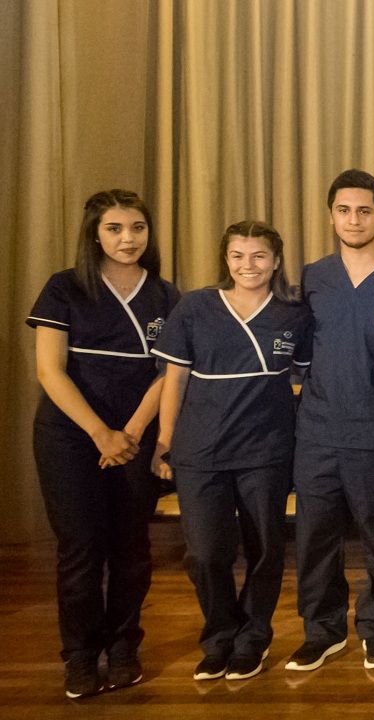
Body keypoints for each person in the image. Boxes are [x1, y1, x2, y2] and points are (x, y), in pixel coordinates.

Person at [27, 189, 180, 697]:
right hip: (70, 437)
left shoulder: (166, 296)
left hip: (135, 437)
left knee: (131, 548)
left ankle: (123, 648)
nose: (127, 239)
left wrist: (131, 434)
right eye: (115, 228)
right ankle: (79, 655)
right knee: (81, 549)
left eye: (137, 228)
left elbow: (168, 374)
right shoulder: (64, 288)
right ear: (94, 234)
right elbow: (49, 371)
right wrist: (99, 432)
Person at [151, 221, 312, 681]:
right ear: (226, 259)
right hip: (201, 448)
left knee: (265, 549)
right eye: (238, 256)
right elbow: (174, 380)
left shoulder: (292, 314)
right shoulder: (196, 307)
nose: (248, 265)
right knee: (205, 553)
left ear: (276, 261)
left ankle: (253, 638)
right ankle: (220, 635)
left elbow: (305, 376)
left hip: (266, 448)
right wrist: (164, 441)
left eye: (259, 256)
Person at [287, 170, 374, 672]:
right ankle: (322, 631)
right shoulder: (313, 277)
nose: (354, 220)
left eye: (364, 210)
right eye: (344, 210)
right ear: (331, 215)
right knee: (315, 537)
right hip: (317, 432)